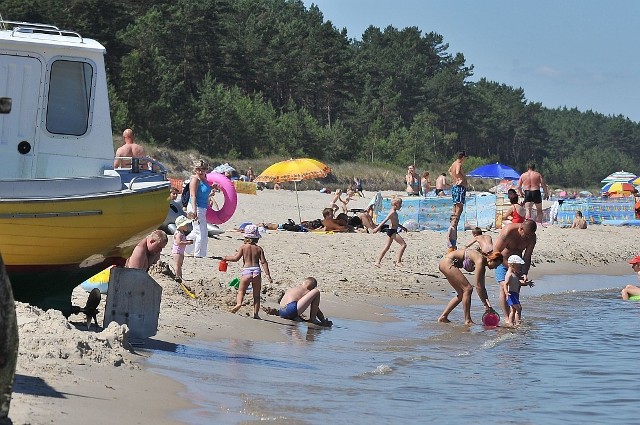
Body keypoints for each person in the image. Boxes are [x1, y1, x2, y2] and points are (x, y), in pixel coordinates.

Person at [438, 250, 503, 325]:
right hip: (447, 263)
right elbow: (478, 286)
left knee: (461, 294)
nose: (495, 268)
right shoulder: (480, 260)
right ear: (491, 259)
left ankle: (443, 317)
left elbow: (482, 287)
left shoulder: (482, 264)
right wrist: (485, 305)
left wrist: (488, 305)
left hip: (445, 263)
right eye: (496, 265)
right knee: (468, 289)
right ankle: (467, 320)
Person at [223, 225, 273, 318]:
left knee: (241, 291)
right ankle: (256, 314)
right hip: (256, 272)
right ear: (257, 238)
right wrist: (268, 275)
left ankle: (238, 304)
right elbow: (263, 262)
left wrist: (226, 258)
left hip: (246, 271)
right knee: (257, 295)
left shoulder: (243, 247)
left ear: (246, 237)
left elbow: (235, 258)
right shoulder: (259, 249)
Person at [492, 220, 537, 320]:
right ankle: (506, 317)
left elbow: (527, 256)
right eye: (526, 235)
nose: (528, 238)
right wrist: (509, 266)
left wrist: (524, 273)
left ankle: (514, 317)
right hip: (502, 261)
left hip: (517, 265)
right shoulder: (508, 231)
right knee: (504, 287)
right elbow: (496, 251)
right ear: (521, 229)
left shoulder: (532, 237)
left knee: (514, 290)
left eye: (530, 235)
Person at [265, 277, 332, 326]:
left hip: (281, 312)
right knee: (316, 292)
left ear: (303, 282)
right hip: (290, 309)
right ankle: (313, 319)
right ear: (312, 287)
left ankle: (294, 317)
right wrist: (323, 320)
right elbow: (316, 308)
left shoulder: (294, 288)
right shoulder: (308, 291)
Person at [186, 159, 212, 258]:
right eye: (199, 169)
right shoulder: (195, 180)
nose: (201, 171)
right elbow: (193, 196)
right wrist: (194, 210)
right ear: (195, 170)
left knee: (197, 231)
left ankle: (183, 248)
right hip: (195, 207)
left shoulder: (205, 179)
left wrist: (211, 194)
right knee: (201, 232)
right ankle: (199, 254)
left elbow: (204, 194)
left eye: (204, 169)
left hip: (203, 207)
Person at [373, 197, 407, 267]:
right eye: (400, 204)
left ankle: (377, 261)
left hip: (392, 230)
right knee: (403, 245)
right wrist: (377, 228)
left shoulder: (394, 212)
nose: (401, 206)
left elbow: (396, 223)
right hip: (392, 231)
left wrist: (402, 227)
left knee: (387, 247)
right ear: (395, 204)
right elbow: (385, 220)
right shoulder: (392, 212)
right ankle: (398, 261)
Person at [503, 254, 534, 326]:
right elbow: (505, 284)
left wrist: (527, 283)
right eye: (518, 266)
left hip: (515, 294)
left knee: (513, 310)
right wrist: (506, 293)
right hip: (511, 294)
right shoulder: (509, 274)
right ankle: (517, 323)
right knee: (519, 308)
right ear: (513, 265)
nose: (520, 268)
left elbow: (518, 282)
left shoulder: (514, 274)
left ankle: (511, 323)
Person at [171, 216, 194, 282]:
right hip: (177, 252)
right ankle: (177, 276)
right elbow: (179, 242)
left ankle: (180, 276)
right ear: (181, 225)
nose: (187, 226)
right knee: (177, 264)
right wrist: (187, 242)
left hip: (180, 252)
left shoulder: (181, 232)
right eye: (186, 225)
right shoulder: (178, 233)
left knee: (179, 264)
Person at [448, 151, 468, 218]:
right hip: (460, 187)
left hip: (455, 186)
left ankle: (452, 225)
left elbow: (449, 170)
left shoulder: (454, 163)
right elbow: (457, 172)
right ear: (462, 157)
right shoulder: (458, 164)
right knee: (459, 208)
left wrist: (454, 178)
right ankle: (454, 225)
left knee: (455, 206)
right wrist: (461, 178)